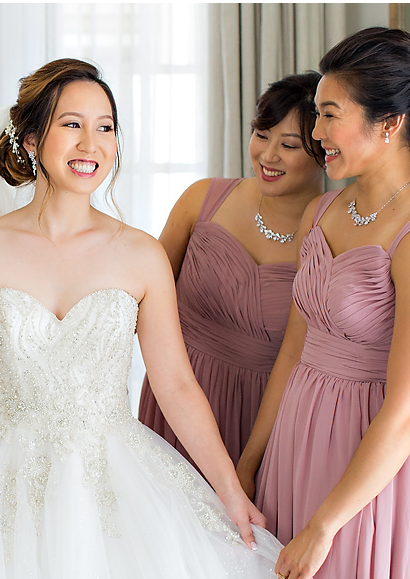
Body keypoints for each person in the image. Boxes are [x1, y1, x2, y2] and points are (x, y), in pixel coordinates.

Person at [0, 59, 319, 579]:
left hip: (113, 481)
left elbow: (176, 386)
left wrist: (229, 490)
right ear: (33, 139)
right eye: (72, 125)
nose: (91, 144)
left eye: (105, 127)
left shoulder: (141, 254)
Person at [235, 28, 410, 579]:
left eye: (329, 115)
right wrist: (248, 463)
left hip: (365, 474)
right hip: (294, 440)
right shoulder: (323, 209)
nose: (316, 135)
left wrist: (324, 525)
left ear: (389, 123)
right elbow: (294, 348)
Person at [139, 72, 325, 466]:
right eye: (262, 134)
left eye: (289, 144)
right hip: (178, 394)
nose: (268, 155)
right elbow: (138, 295)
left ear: (326, 150)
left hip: (267, 416)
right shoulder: (201, 199)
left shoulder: (332, 233)